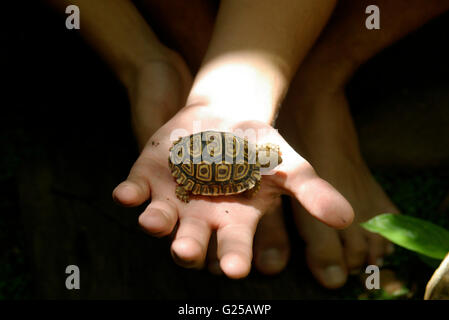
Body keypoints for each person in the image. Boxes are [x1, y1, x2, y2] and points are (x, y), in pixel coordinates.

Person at [47, 0, 449, 289]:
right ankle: (196, 47)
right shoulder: (241, 172)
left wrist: (233, 98)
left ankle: (311, 70)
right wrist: (138, 59)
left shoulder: (243, 167)